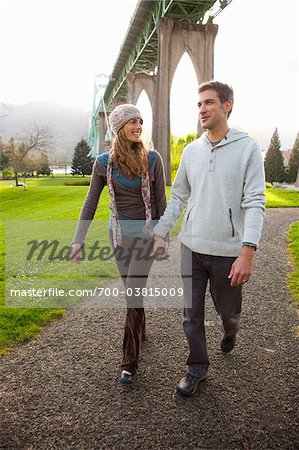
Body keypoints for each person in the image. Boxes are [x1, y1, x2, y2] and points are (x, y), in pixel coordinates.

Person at [153, 81, 266, 397]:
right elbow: (178, 197)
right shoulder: (191, 151)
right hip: (191, 246)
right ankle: (196, 369)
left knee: (227, 311)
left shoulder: (248, 149)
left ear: (227, 105)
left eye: (209, 103)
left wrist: (248, 250)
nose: (202, 109)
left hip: (228, 250)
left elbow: (255, 200)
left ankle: (231, 331)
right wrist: (162, 230)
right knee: (191, 313)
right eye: (199, 104)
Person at [70, 104, 167, 384]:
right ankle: (140, 328)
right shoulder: (103, 163)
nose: (138, 126)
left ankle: (129, 363)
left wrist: (162, 238)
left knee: (133, 295)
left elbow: (161, 202)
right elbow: (90, 203)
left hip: (146, 238)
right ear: (118, 128)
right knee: (132, 294)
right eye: (132, 122)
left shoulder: (153, 159)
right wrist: (78, 240)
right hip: (118, 238)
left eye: (140, 121)